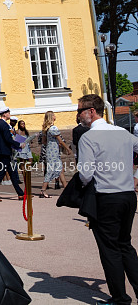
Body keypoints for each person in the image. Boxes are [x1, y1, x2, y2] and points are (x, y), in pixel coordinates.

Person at [77, 93, 138, 305]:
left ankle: (120, 298)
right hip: (128, 195)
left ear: (91, 111)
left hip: (106, 197)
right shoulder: (122, 132)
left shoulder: (88, 137)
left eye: (80, 111)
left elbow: (85, 174)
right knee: (125, 245)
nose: (78, 116)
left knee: (109, 249)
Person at [0, 107, 25, 202]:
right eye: (8, 113)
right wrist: (19, 144)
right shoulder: (5, 125)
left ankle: (20, 194)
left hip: (1, 151)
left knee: (11, 172)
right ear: (4, 114)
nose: (9, 114)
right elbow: (8, 139)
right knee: (2, 173)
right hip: (5, 151)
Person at [38, 111, 71, 198]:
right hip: (53, 152)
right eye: (54, 115)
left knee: (60, 170)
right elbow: (60, 140)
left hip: (50, 151)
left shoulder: (46, 129)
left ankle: (67, 190)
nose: (55, 116)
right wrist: (67, 148)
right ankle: (43, 190)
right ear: (51, 117)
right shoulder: (53, 128)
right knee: (51, 170)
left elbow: (44, 142)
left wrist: (52, 142)